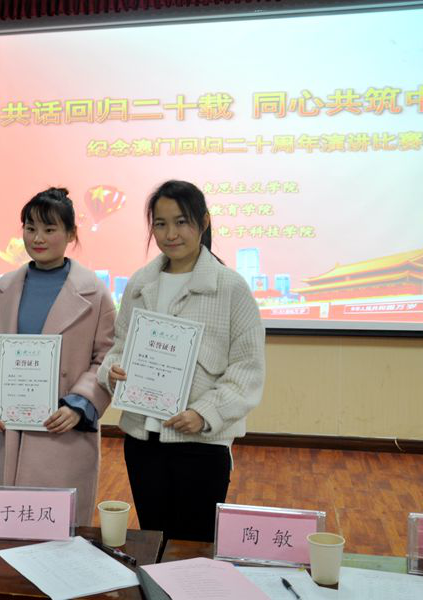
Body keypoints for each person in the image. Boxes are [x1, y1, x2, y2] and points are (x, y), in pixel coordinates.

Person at [98, 180, 265, 542]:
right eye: (160, 224)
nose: (170, 234)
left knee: (194, 544)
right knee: (154, 536)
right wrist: (111, 371)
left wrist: (204, 414)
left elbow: (247, 370)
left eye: (181, 222)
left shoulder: (230, 288)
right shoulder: (141, 283)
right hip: (142, 440)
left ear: (203, 223)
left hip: (201, 442)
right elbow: (118, 347)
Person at [0, 187, 116, 526]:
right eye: (30, 228)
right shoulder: (5, 287)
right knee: (13, 527)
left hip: (63, 428)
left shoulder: (94, 292)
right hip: (12, 427)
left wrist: (79, 404)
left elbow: (106, 356)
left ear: (71, 234)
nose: (37, 238)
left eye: (49, 229)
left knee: (58, 531)